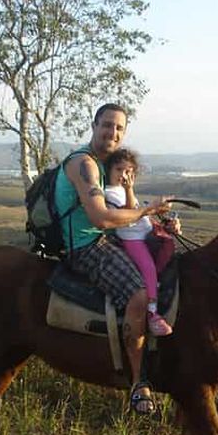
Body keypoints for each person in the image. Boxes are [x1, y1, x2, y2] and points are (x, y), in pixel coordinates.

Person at [54, 103, 175, 415]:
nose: (113, 132)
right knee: (138, 293)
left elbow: (125, 206)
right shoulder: (85, 164)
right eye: (107, 125)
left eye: (119, 128)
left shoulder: (104, 162)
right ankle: (138, 382)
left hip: (107, 238)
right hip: (86, 245)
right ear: (94, 125)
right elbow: (102, 218)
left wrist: (158, 224)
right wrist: (147, 211)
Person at [104, 148, 176, 337]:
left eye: (128, 172)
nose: (123, 175)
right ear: (109, 171)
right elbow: (129, 213)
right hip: (132, 240)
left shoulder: (122, 190)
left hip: (144, 234)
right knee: (149, 268)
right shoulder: (109, 193)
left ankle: (154, 282)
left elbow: (139, 210)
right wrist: (130, 190)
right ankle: (152, 313)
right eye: (119, 170)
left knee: (168, 247)